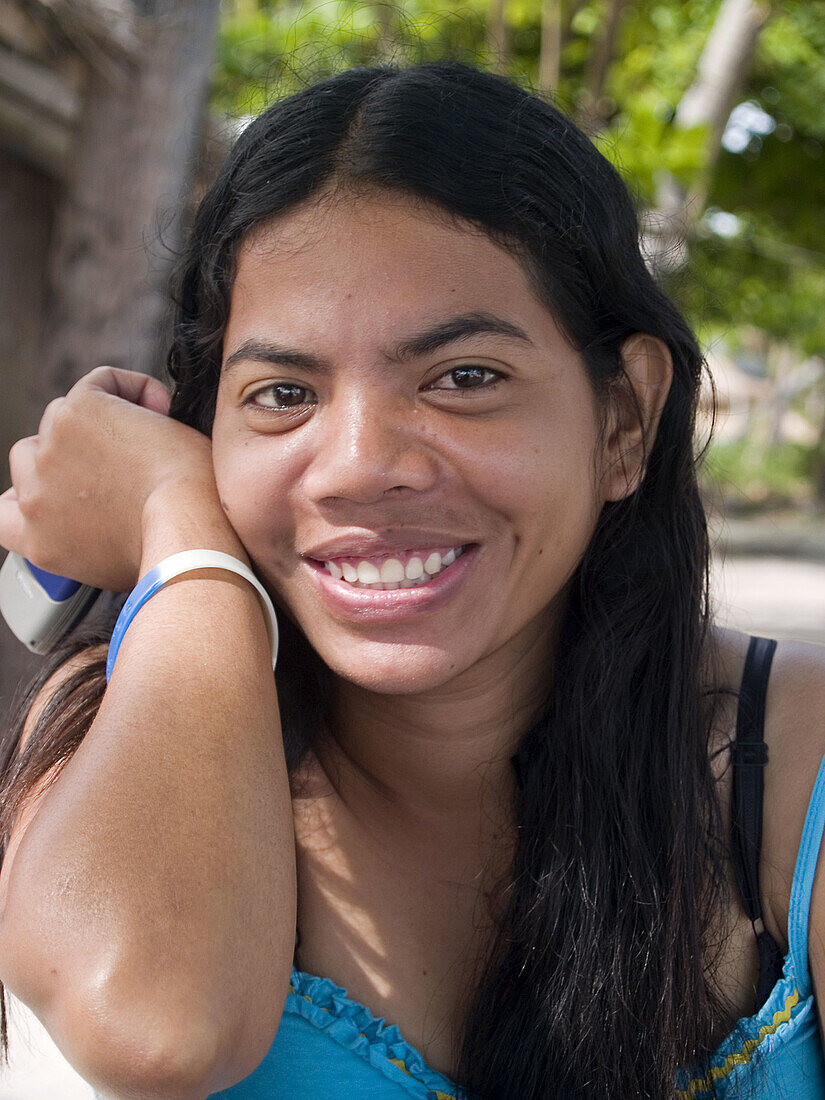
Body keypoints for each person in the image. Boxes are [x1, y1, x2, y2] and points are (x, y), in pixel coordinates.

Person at [0, 60, 822, 1100]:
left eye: (463, 378)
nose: (357, 464)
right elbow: (160, 1028)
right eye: (282, 393)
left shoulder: (791, 755)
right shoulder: (113, 730)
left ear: (625, 420)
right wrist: (188, 544)